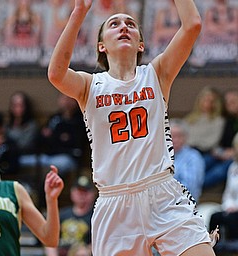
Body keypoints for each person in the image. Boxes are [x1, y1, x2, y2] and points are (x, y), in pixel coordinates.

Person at [47, 0, 218, 255]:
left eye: (131, 24)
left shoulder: (157, 73)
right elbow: (56, 74)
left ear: (141, 44)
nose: (123, 27)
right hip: (114, 203)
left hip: (162, 194)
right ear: (101, 45)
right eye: (114, 24)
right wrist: (79, 12)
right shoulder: (90, 85)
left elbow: (192, 25)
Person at [45, 175, 96, 256]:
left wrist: (88, 251)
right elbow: (50, 239)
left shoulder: (96, 217)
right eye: (79, 191)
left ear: (92, 194)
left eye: (85, 192)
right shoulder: (61, 214)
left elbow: (98, 242)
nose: (81, 195)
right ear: (72, 192)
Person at [209, 132, 238, 241]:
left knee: (232, 220)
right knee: (215, 217)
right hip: (232, 209)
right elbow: (228, 194)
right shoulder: (233, 167)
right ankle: (213, 249)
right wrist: (228, 206)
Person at [170, 118, 205, 203]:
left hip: (184, 205)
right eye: (171, 136)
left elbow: (190, 188)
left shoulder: (193, 157)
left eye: (178, 136)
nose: (175, 140)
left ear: (185, 137)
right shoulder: (161, 156)